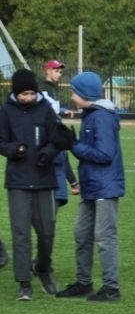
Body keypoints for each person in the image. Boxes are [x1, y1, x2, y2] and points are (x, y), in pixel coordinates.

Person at [56, 71, 126, 302]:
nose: (72, 95)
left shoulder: (101, 117)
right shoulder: (91, 114)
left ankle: (111, 288)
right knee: (82, 234)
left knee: (105, 238)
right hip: (93, 186)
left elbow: (104, 154)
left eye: (74, 91)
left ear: (83, 93)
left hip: (104, 186)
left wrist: (74, 146)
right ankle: (84, 283)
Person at [0, 68, 64, 300]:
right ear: (15, 93)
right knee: (20, 234)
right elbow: (1, 141)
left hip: (44, 180)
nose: (28, 98)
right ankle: (24, 283)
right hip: (17, 181)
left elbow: (56, 139)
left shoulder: (45, 109)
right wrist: (12, 150)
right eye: (23, 94)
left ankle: (43, 268)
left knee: (47, 232)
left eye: (31, 93)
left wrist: (47, 153)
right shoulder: (5, 112)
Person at [40, 59, 80, 206]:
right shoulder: (42, 88)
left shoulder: (53, 87)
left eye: (60, 71)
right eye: (56, 71)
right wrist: (60, 112)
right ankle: (71, 186)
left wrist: (63, 111)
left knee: (62, 154)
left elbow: (53, 107)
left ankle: (73, 185)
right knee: (61, 154)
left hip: (55, 126)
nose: (59, 74)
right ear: (48, 71)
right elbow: (46, 107)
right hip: (49, 129)